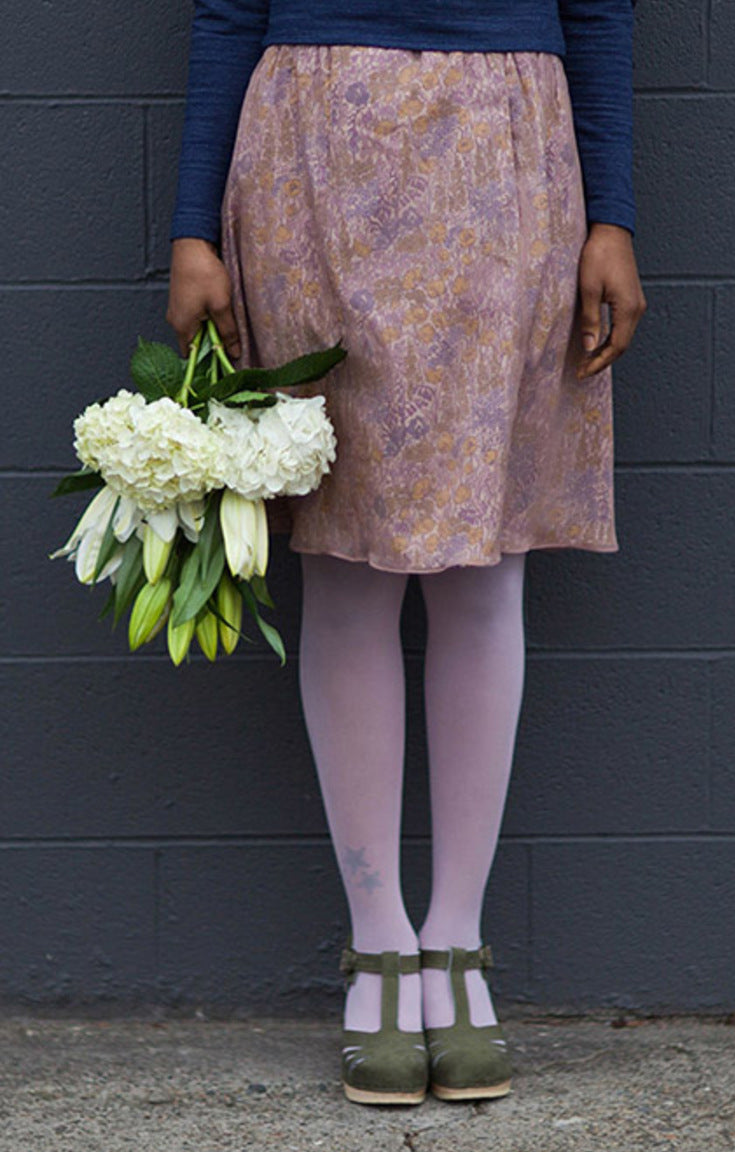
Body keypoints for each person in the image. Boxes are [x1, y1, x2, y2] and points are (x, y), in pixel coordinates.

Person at [166, 0, 646, 1107]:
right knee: (343, 566)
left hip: (508, 155)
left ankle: (457, 940)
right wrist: (194, 225)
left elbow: (601, 6)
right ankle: (378, 939)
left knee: (484, 571)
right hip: (312, 157)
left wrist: (612, 214)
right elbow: (231, 5)